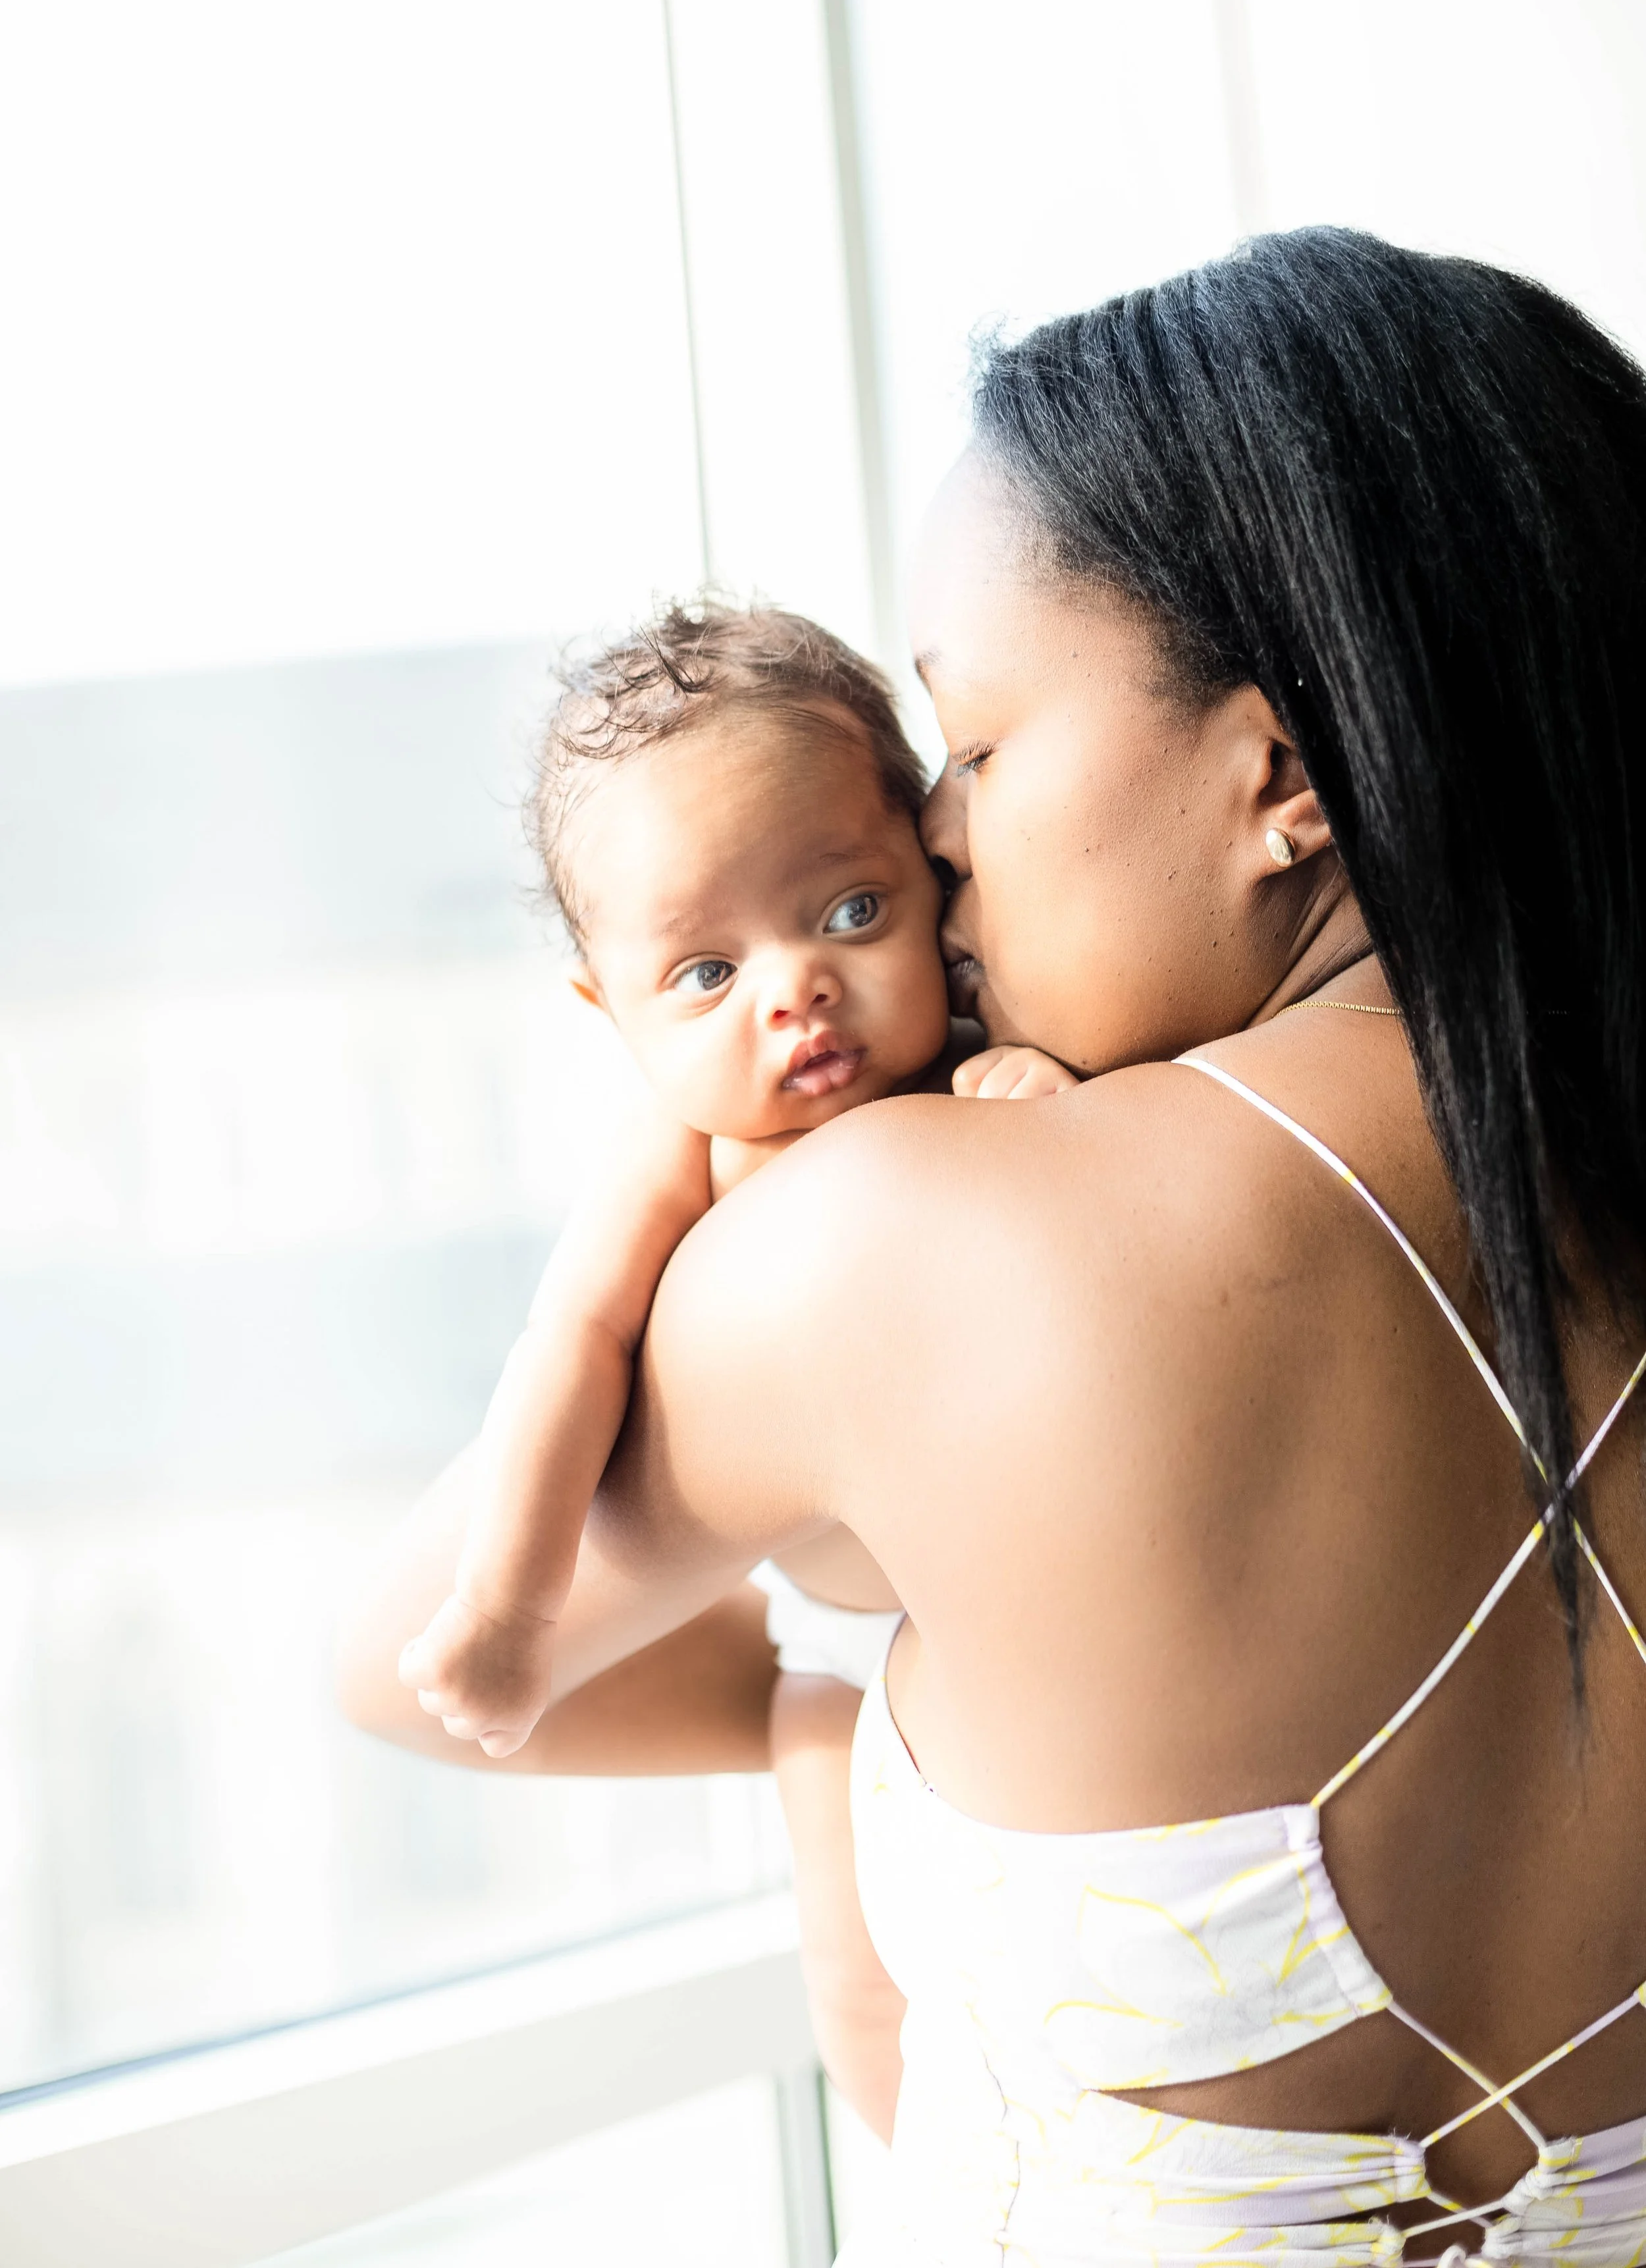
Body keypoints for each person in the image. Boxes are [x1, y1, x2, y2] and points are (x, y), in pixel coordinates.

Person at [340, 228, 1646, 2265]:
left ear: (1280, 777)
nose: (932, 837)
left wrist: (822, 1694)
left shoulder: (902, 1240)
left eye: (971, 743)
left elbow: (406, 1666)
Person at [393, 599, 1070, 2140]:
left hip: (1012, 1617)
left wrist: (1027, 1081)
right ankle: (928, 2191)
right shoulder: (683, 1151)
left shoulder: (976, 1053)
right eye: (704, 973)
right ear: (609, 1009)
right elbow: (570, 1346)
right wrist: (508, 1606)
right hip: (831, 1651)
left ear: (932, 878)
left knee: (1033, 1931)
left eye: (849, 911)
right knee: (860, 1989)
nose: (792, 990)